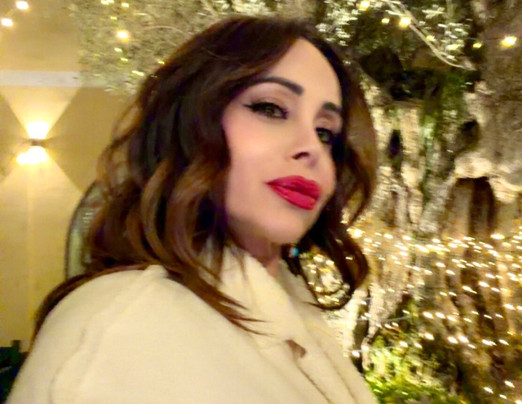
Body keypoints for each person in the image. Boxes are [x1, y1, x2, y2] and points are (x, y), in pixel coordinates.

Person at [7, 15, 378, 404]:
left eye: (325, 132)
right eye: (271, 108)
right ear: (188, 123)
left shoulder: (293, 316)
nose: (312, 148)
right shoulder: (123, 332)